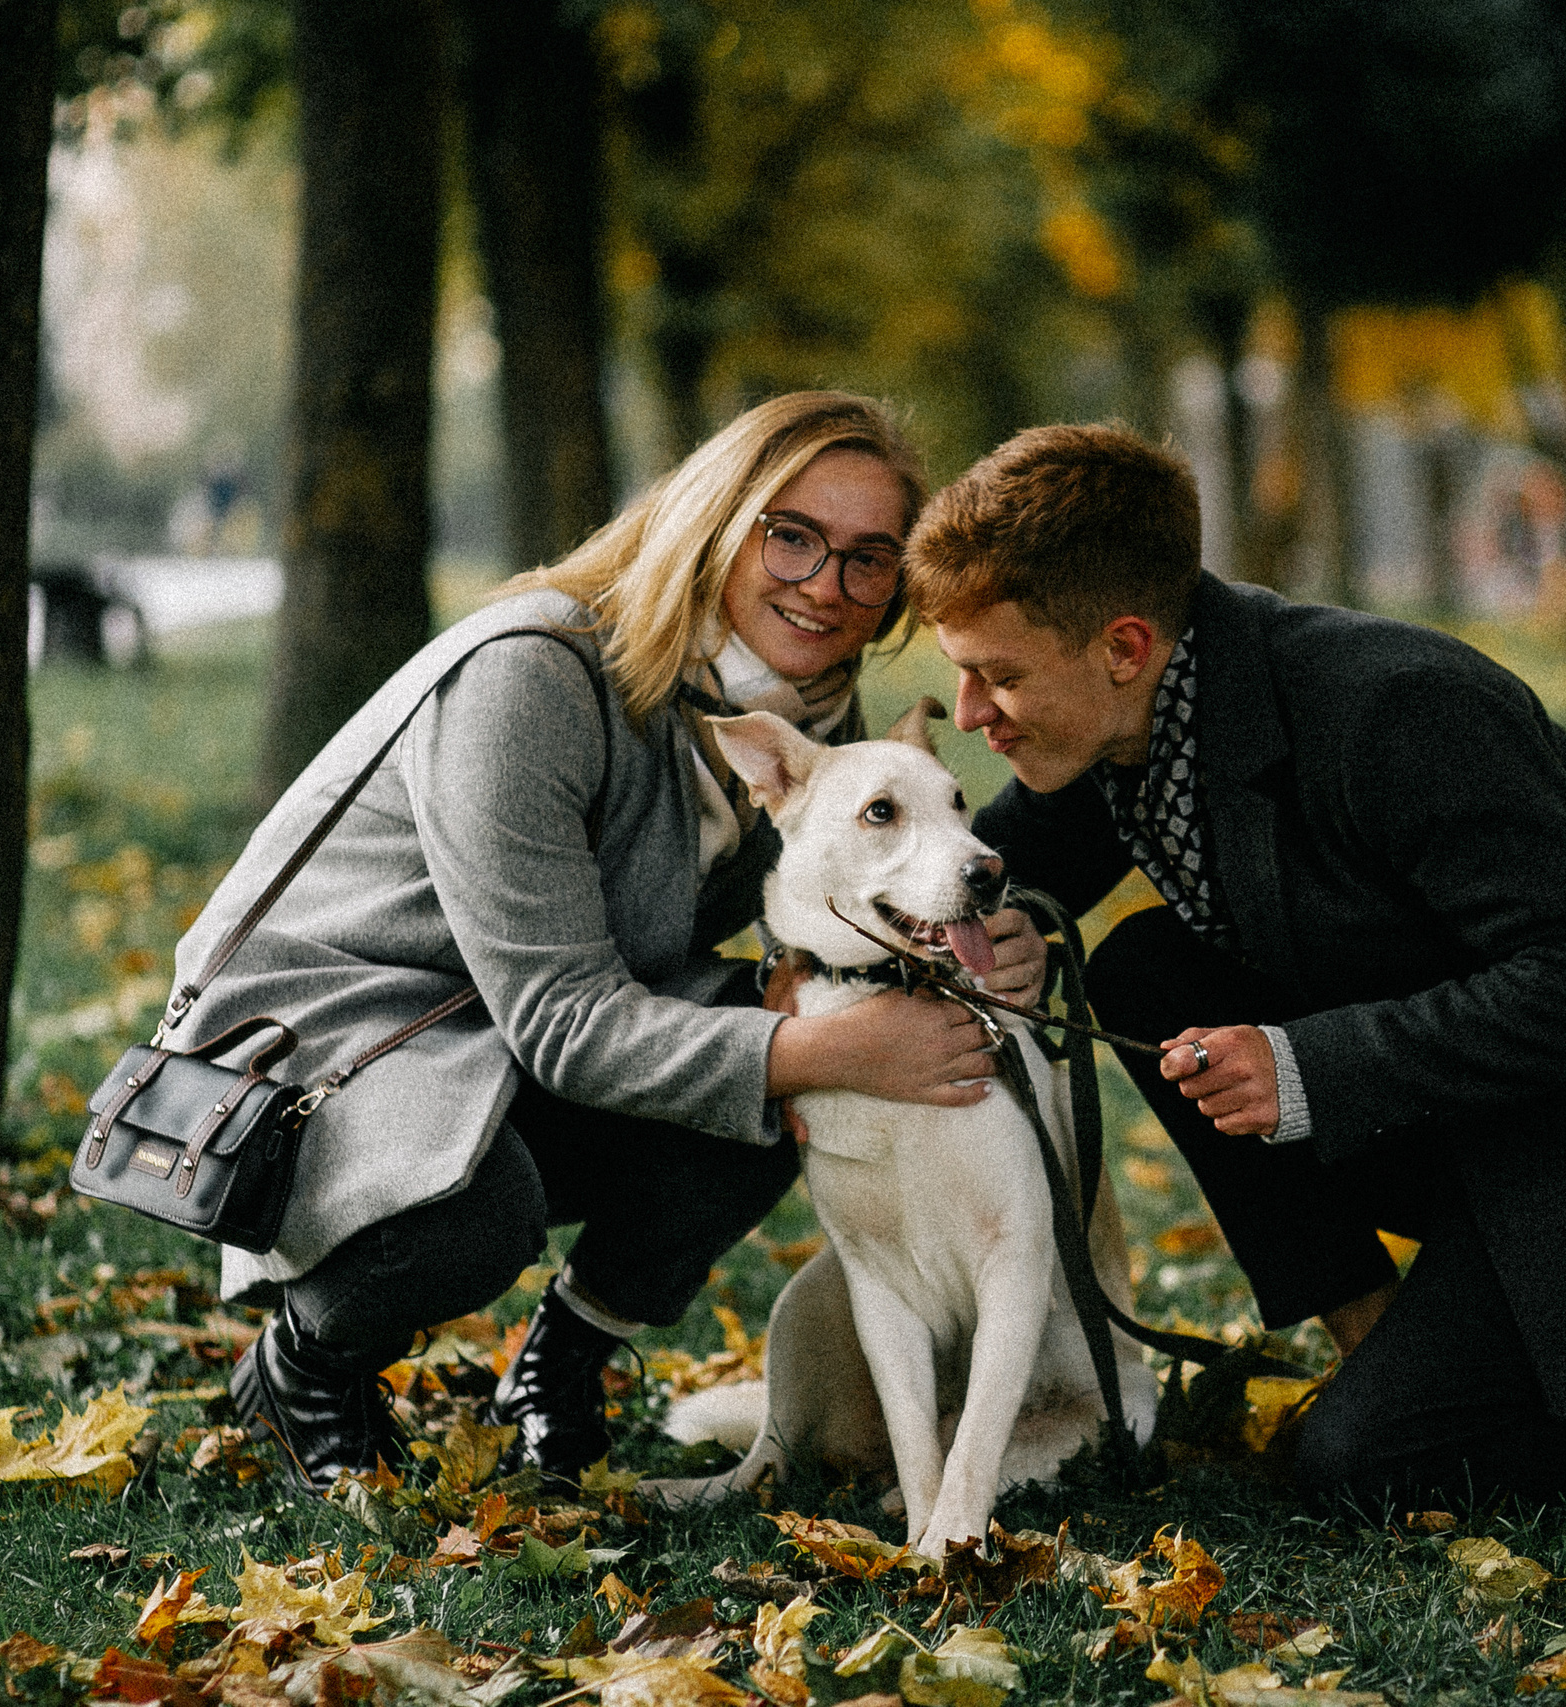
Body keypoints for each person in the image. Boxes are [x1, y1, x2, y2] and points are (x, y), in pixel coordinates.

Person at [902, 424, 1566, 1511]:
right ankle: (1373, 1343)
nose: (970, 714)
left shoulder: (1394, 707)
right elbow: (1006, 867)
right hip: (1462, 1117)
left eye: (996, 677)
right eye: (961, 676)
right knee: (1146, 969)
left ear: (1123, 646)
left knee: (1371, 1477)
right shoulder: (1106, 721)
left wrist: (1306, 1066)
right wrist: (1026, 921)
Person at [174, 393, 1040, 1493]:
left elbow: (833, 914)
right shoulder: (530, 675)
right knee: (477, 1211)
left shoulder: (804, 710)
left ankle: (561, 1362)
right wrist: (834, 1046)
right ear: (717, 518)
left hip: (484, 1035)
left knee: (778, 1047)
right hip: (324, 1042)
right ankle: (303, 1365)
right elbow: (561, 1021)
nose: (826, 585)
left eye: (869, 561)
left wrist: (970, 942)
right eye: (792, 535)